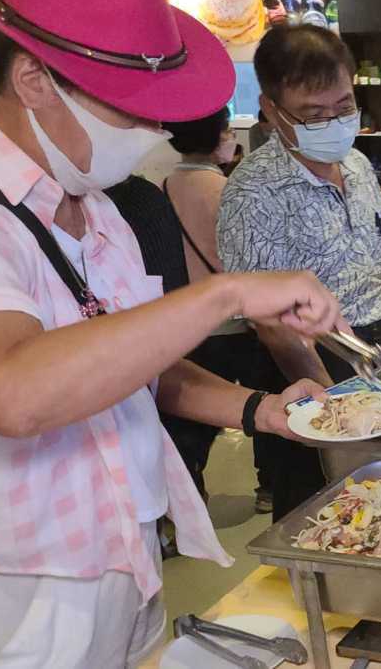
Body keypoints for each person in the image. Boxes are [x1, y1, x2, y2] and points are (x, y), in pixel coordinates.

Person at [0, 0, 344, 665]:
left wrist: (262, 409)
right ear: (34, 78)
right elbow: (10, 393)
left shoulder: (99, 212)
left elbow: (140, 366)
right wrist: (225, 292)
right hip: (24, 581)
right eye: (125, 103)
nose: (149, 126)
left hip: (130, 550)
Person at [217, 25, 381, 518]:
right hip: (303, 369)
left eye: (343, 107)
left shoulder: (358, 165)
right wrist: (335, 403)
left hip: (373, 348)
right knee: (317, 508)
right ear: (273, 111)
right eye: (315, 115)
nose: (335, 123)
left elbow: (372, 249)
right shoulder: (252, 192)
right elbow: (270, 321)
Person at [160, 108, 281, 512]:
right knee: (261, 401)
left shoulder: (163, 187)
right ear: (214, 138)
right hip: (236, 322)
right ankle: (269, 488)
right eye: (227, 130)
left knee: (191, 415)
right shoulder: (228, 191)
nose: (232, 136)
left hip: (190, 322)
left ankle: (188, 494)